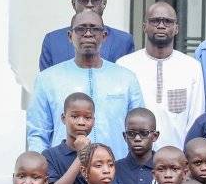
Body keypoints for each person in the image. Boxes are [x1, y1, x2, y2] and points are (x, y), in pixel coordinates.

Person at [26, 9, 144, 156]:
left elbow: (139, 128)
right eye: (81, 29)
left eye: (94, 29)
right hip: (64, 172)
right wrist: (43, 170)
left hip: (114, 170)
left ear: (104, 36)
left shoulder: (126, 78)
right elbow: (38, 133)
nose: (88, 34)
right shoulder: (47, 79)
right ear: (70, 36)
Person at [117, 2, 206, 149]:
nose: (161, 25)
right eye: (155, 21)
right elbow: (120, 116)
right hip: (134, 158)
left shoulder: (191, 67)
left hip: (177, 161)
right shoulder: (125, 65)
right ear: (144, 26)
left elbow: (196, 118)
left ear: (176, 28)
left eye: (167, 21)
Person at [38, 0, 136, 69]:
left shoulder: (123, 41)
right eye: (83, 0)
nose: (89, 5)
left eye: (95, 0)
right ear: (73, 4)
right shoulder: (53, 41)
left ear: (104, 4)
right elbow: (47, 81)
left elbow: (126, 80)